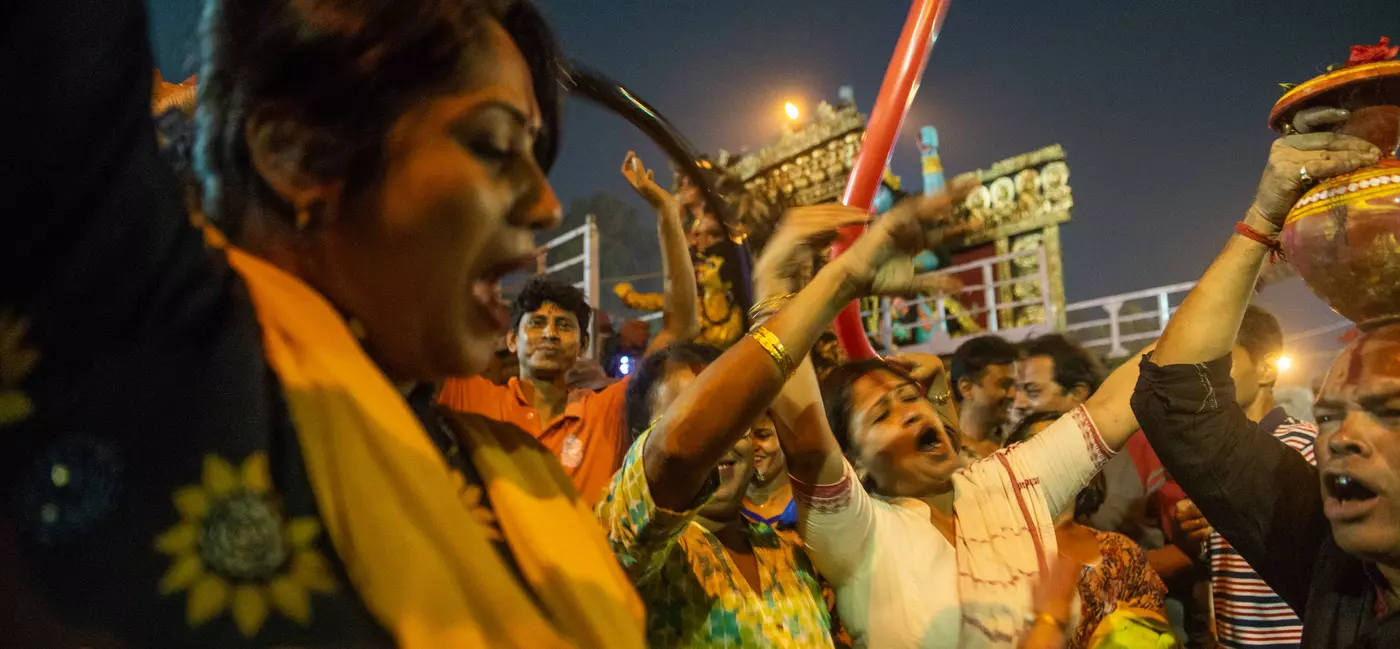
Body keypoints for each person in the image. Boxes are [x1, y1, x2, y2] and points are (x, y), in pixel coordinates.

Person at [3, 0, 651, 646]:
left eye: (537, 154)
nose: (546, 204)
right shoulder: (141, 338)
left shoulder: (523, 489)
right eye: (493, 144)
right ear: (297, 156)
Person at [752, 202, 1148, 648]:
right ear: (855, 466)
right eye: (882, 414)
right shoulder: (859, 532)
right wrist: (775, 289)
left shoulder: (1003, 484)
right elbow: (805, 438)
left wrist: (1246, 240)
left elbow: (1117, 403)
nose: (912, 411)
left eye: (909, 398)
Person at [1131, 118, 1390, 645]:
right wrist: (1263, 218)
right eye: (1328, 416)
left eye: (1393, 411)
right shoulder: (1333, 566)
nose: (1340, 439)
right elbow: (1177, 399)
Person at [439, 152, 697, 504]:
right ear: (512, 340)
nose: (549, 333)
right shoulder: (471, 397)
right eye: (537, 323)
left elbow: (680, 328)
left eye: (563, 325)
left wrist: (667, 214)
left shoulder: (607, 412)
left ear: (582, 344)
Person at [599, 341, 833, 647]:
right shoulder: (631, 549)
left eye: (730, 419)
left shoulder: (790, 555)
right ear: (641, 446)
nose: (715, 440)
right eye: (690, 425)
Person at [1170, 305, 1318, 649]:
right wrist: (1190, 538)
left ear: (1266, 368)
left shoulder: (1310, 449)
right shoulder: (1209, 460)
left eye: (1219, 362)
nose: (1204, 378)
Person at [1006, 415, 1171, 648]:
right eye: (1037, 446)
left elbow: (1155, 637)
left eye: (1064, 449)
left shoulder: (1120, 552)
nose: (1051, 458)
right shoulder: (990, 547)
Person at [1017, 335, 1142, 535]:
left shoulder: (1128, 451)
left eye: (1032, 391)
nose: (1018, 403)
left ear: (1077, 394)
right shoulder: (1017, 457)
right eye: (1017, 390)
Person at [950, 335, 1021, 447]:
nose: (1014, 394)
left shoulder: (1017, 444)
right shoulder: (946, 452)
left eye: (1015, 385)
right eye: (1004, 384)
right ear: (966, 388)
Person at [744, 417, 798, 529]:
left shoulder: (810, 508)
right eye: (743, 437)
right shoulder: (723, 506)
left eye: (763, 436)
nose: (751, 445)